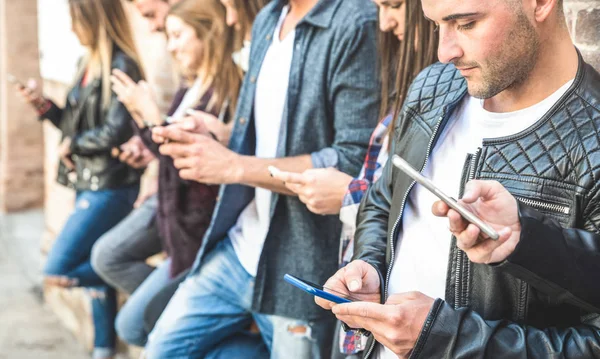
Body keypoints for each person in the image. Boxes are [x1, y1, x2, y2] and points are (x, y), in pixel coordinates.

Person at [316, 0, 600, 358]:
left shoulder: (593, 142)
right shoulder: (432, 86)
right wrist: (371, 268)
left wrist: (448, 339)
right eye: (436, 25)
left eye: (465, 24)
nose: (443, 52)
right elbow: (383, 198)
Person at [145, 0, 381, 357]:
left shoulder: (355, 20)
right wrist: (220, 134)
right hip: (239, 247)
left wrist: (234, 166)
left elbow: (350, 163)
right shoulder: (269, 18)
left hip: (301, 266)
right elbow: (270, 138)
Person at [271, 0, 437, 356]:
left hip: (401, 313)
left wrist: (347, 196)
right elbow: (385, 195)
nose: (384, 22)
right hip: (365, 287)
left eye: (392, 6)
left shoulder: (440, 96)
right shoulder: (409, 89)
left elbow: (421, 209)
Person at [95, 0, 242, 349]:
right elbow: (166, 150)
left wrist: (149, 117)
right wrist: (143, 122)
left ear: (209, 34)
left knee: (132, 325)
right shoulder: (190, 84)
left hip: (198, 235)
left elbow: (195, 168)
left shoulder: (226, 94)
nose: (170, 44)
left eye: (178, 35)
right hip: (174, 220)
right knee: (112, 269)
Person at [15, 1, 144, 358]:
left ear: (94, 20)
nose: (72, 29)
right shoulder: (85, 64)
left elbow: (115, 131)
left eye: (76, 21)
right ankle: (103, 349)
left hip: (112, 186)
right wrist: (43, 106)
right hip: (86, 182)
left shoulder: (122, 65)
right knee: (95, 289)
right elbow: (73, 127)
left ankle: (124, 275)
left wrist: (75, 143)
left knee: (59, 268)